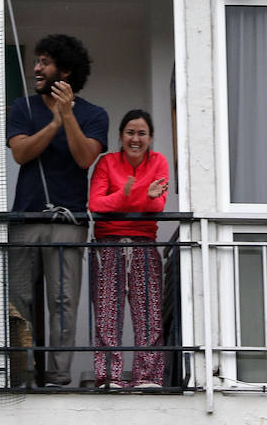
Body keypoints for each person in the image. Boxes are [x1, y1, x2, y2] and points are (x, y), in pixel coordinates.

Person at [6, 34, 108, 387]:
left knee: (63, 300)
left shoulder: (94, 114)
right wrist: (53, 122)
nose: (36, 67)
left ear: (64, 70)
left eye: (44, 62)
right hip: (26, 218)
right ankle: (22, 372)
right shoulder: (23, 108)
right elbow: (20, 153)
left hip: (69, 221)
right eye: (36, 60)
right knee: (20, 298)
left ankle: (58, 375)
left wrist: (68, 117)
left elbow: (84, 158)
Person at [88, 109, 169, 390]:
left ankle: (147, 377)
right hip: (108, 244)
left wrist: (122, 198)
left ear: (151, 137)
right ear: (121, 136)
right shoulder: (106, 162)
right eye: (130, 132)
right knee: (107, 313)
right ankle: (108, 378)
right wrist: (134, 195)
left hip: (144, 244)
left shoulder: (159, 162)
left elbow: (157, 207)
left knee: (148, 313)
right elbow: (96, 205)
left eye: (142, 133)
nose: (136, 138)